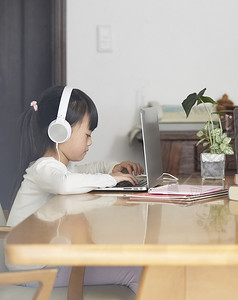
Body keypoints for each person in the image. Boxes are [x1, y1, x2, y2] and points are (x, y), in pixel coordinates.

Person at [7, 86, 144, 293]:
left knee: (134, 264)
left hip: (42, 261)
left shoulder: (59, 167)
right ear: (60, 130)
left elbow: (83, 172)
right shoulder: (43, 168)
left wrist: (111, 169)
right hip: (32, 269)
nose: (90, 142)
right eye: (87, 134)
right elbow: (65, 183)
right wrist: (111, 179)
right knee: (136, 271)